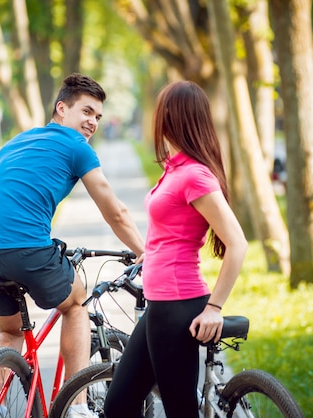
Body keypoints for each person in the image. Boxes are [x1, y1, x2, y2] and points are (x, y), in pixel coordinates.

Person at [0, 73, 145, 418]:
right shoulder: (76, 146)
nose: (92, 122)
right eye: (86, 112)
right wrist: (144, 251)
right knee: (76, 303)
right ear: (61, 108)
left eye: (98, 117)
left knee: (10, 330)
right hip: (28, 251)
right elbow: (115, 211)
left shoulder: (14, 143)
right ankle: (77, 408)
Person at [103, 80, 248, 417]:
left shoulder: (195, 176)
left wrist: (214, 307)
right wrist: (149, 255)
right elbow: (172, 232)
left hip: (179, 306)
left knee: (180, 410)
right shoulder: (174, 170)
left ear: (173, 118)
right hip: (160, 306)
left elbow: (237, 243)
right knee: (119, 405)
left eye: (162, 113)